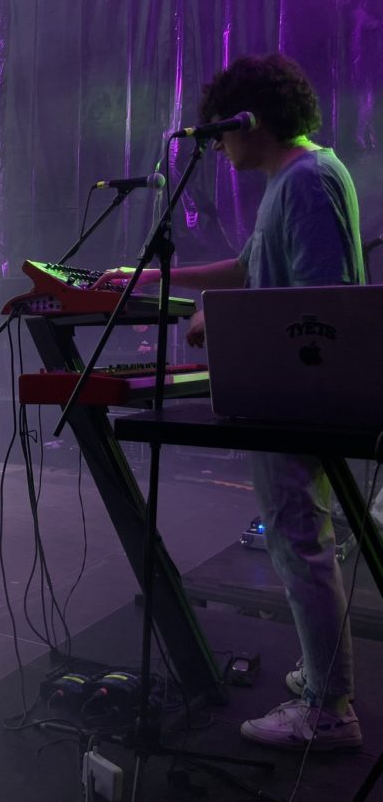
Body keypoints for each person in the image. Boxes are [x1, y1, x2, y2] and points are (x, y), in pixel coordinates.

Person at [96, 53, 364, 750]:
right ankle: (322, 677)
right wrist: (154, 278)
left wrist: (227, 314)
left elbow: (321, 302)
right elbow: (248, 268)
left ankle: (330, 712)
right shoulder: (291, 180)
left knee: (300, 542)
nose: (215, 149)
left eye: (221, 134)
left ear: (249, 121)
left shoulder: (307, 181)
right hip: (287, 394)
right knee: (300, 539)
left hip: (300, 396)